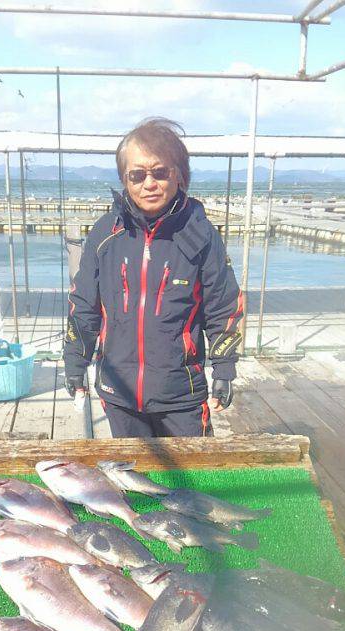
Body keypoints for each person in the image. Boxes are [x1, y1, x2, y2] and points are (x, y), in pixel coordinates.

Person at [64, 118, 243, 438]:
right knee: (134, 481)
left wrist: (224, 369)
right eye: (137, 175)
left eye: (160, 172)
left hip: (181, 396)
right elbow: (83, 305)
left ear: (179, 175)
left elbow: (224, 306)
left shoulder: (201, 235)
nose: (149, 183)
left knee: (195, 480)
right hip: (118, 392)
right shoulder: (105, 233)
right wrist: (76, 361)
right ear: (124, 179)